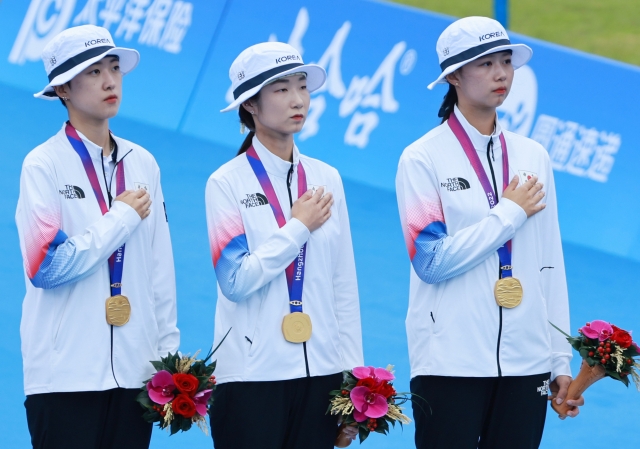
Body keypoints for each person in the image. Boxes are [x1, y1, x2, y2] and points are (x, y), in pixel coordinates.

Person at [395, 16, 584, 449]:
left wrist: (558, 359)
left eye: (506, 62)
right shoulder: (422, 158)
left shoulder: (533, 155)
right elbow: (431, 260)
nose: (501, 73)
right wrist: (509, 213)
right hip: (448, 360)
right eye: (484, 64)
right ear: (454, 76)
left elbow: (549, 262)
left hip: (527, 360)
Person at [16, 25, 179, 449]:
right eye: (93, 72)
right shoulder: (43, 165)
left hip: (133, 375)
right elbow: (47, 267)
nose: (110, 81)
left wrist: (168, 362)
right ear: (64, 89)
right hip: (64, 377)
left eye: (114, 68)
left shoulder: (144, 163)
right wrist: (121, 216)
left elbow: (160, 268)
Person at [205, 42, 363, 449]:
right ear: (251, 106)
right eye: (280, 89)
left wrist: (354, 383)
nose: (297, 100)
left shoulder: (328, 178)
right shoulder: (226, 183)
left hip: (322, 377)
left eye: (302, 86)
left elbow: (343, 285)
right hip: (252, 380)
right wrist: (297, 227)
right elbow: (236, 281)